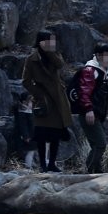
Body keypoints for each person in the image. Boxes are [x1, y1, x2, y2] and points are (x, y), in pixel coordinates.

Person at [21, 30, 73, 172]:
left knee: (56, 134)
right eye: (47, 41)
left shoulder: (55, 54)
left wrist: (49, 52)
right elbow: (25, 81)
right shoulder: (31, 59)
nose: (51, 43)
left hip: (57, 99)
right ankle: (43, 164)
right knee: (42, 134)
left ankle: (52, 163)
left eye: (52, 41)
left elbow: (60, 65)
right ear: (40, 41)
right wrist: (39, 94)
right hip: (43, 101)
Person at [77, 43, 108, 174]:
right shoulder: (90, 71)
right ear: (99, 56)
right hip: (89, 114)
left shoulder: (106, 71)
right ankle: (90, 171)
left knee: (97, 144)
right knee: (100, 144)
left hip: (99, 113)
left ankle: (96, 171)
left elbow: (107, 95)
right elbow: (84, 92)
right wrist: (88, 109)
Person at [13, 92, 38, 169]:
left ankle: (31, 164)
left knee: (32, 150)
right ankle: (28, 166)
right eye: (30, 101)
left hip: (31, 134)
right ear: (24, 102)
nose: (31, 103)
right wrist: (26, 136)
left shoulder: (28, 111)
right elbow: (23, 126)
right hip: (27, 136)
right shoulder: (22, 113)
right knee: (30, 151)